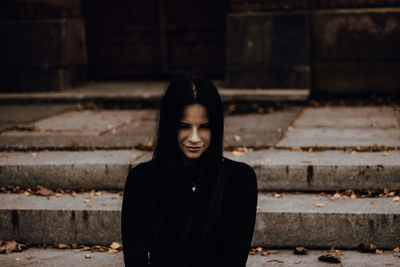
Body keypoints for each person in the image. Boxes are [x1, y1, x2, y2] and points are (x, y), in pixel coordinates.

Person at [121, 74, 258, 267]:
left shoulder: (239, 179)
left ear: (216, 128)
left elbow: (235, 257)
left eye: (204, 127)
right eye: (184, 126)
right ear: (170, 127)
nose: (194, 138)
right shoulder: (142, 180)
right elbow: (135, 258)